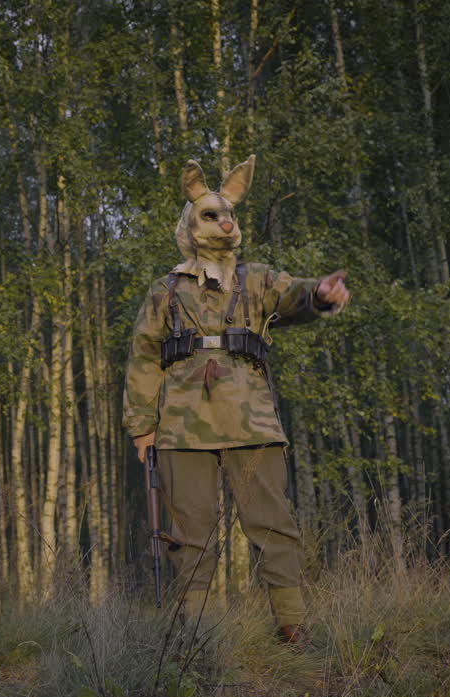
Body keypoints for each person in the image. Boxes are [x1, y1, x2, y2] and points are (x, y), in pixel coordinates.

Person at [122, 155, 350, 646]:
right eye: (211, 215)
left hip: (252, 419)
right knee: (190, 534)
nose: (225, 222)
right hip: (182, 424)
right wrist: (142, 426)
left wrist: (323, 294)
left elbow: (298, 296)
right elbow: (143, 355)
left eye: (229, 214)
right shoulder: (165, 290)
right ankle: (197, 635)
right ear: (191, 223)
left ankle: (292, 625)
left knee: (272, 523)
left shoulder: (258, 279)